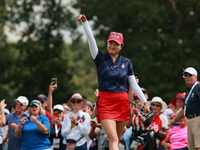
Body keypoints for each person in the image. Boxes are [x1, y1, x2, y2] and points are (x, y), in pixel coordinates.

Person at [77, 14, 149, 150]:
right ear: (107, 43)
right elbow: (91, 40)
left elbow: (133, 84)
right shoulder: (99, 58)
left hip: (122, 102)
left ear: (121, 46)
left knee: (118, 136)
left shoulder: (127, 62)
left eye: (116, 44)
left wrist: (144, 102)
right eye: (110, 43)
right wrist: (85, 23)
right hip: (105, 102)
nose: (112, 45)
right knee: (113, 137)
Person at [168, 67, 200, 150]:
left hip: (197, 119)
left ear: (196, 77)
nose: (187, 77)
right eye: (185, 75)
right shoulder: (189, 91)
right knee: (192, 148)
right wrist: (174, 120)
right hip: (190, 120)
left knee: (198, 146)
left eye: (190, 75)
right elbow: (184, 109)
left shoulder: (198, 87)